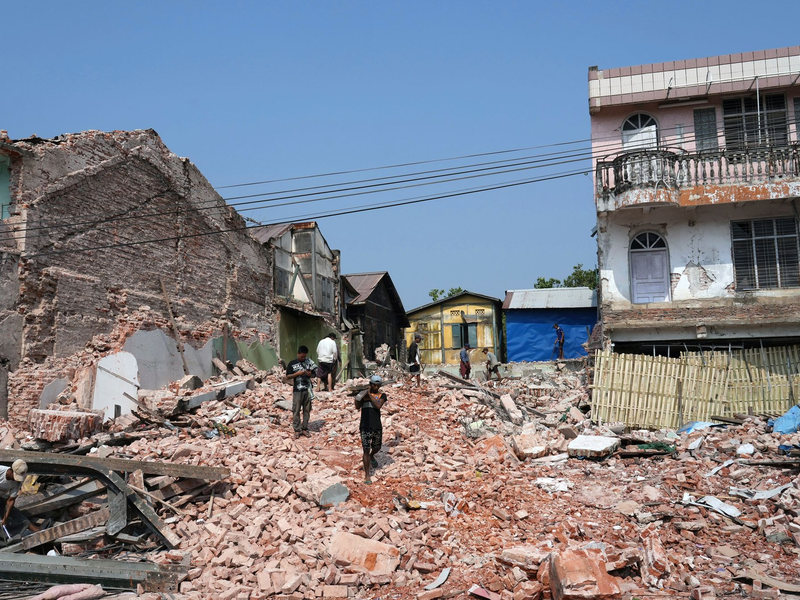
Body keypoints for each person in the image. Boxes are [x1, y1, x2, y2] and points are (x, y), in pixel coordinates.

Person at [354, 375, 386, 484]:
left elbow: (378, 405)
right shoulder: (364, 395)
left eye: (378, 385)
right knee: (366, 449)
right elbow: (357, 406)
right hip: (365, 425)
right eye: (374, 385)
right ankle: (367, 475)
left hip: (376, 425)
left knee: (377, 447)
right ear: (370, 384)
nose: (376, 387)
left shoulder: (382, 395)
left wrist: (369, 395)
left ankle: (373, 455)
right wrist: (360, 396)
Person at [286, 346, 317, 438]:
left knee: (306, 410)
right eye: (302, 356)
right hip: (297, 391)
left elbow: (314, 374)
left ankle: (304, 428)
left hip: (307, 391)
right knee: (296, 410)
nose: (303, 358)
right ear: (298, 354)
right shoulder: (292, 364)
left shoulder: (309, 362)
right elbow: (287, 376)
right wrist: (297, 374)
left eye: (305, 356)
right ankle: (297, 429)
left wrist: (310, 374)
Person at [0, 460, 27, 528]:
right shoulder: (1, 470)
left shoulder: (17, 482)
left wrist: (5, 518)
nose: (15, 479)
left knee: (15, 513)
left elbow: (11, 500)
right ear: (10, 470)